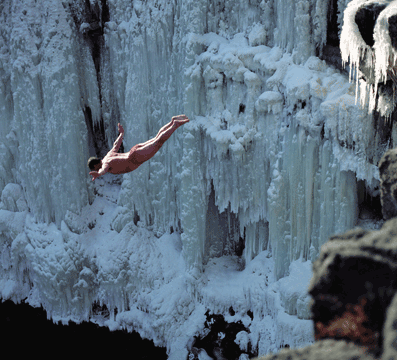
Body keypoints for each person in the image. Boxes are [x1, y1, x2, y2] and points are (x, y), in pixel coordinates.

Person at [87, 114, 189, 181]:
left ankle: (174, 125)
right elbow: (115, 145)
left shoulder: (105, 163)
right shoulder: (107, 156)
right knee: (156, 139)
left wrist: (99, 174)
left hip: (135, 158)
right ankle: (172, 122)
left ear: (95, 166)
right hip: (134, 151)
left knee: (158, 142)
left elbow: (103, 170)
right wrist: (121, 134)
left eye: (94, 169)